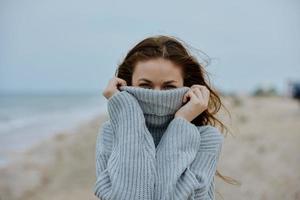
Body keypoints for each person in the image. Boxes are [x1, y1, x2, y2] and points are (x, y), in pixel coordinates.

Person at [94, 35, 235, 200]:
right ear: (128, 84)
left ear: (186, 86)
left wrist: (181, 122)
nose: (156, 95)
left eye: (169, 87)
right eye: (145, 85)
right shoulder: (111, 133)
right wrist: (126, 112)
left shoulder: (207, 138)